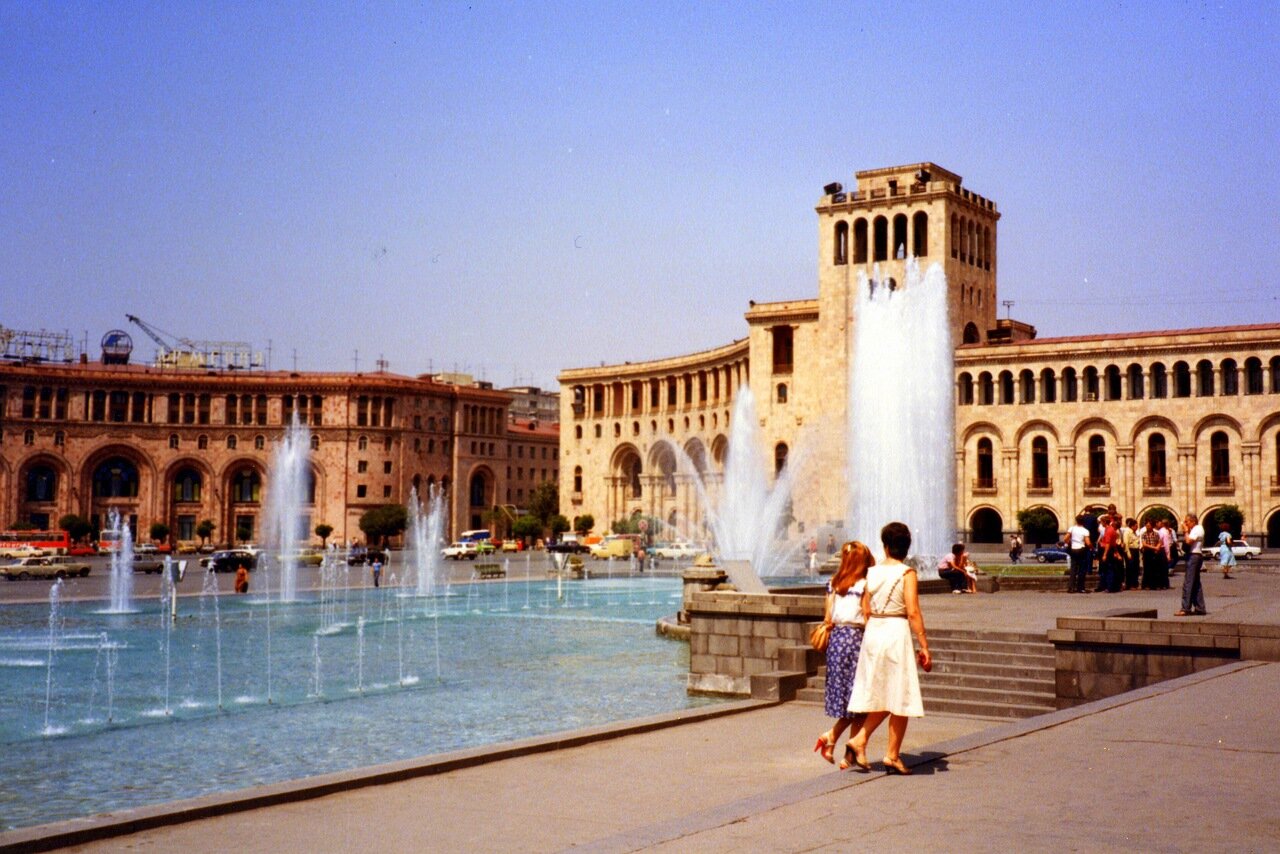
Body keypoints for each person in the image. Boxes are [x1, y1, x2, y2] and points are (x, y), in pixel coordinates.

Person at [846, 522, 931, 775]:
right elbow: (913, 611)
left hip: (874, 632)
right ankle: (892, 755)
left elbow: (867, 609)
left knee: (883, 692)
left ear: (884, 547)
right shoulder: (907, 573)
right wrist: (924, 644)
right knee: (900, 694)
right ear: (907, 547)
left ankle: (860, 740)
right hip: (895, 631)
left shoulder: (870, 573)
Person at [813, 541, 873, 770]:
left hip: (837, 642)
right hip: (855, 642)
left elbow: (828, 617)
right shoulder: (864, 585)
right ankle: (838, 742)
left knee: (854, 702)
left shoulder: (833, 584)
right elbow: (867, 616)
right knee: (859, 701)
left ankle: (847, 751)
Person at [1176, 513, 1206, 616]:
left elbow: (1188, 541)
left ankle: (1185, 608)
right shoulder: (1196, 529)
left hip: (1194, 556)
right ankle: (1200, 607)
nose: (1185, 524)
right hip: (1195, 556)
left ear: (1193, 521)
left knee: (1188, 582)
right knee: (1196, 583)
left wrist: (1185, 531)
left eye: (1187, 522)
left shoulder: (1197, 529)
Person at [1066, 514, 1092, 594]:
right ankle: (1080, 588)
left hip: (1073, 549)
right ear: (1083, 521)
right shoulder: (1085, 530)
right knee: (1082, 569)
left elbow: (1065, 538)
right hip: (1081, 549)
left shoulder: (1072, 528)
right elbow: (1087, 542)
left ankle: (1071, 588)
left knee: (1073, 569)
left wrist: (1070, 543)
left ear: (1076, 521)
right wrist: (1091, 547)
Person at [1139, 519, 1168, 590]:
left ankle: (1155, 585)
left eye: (1149, 525)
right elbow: (1144, 544)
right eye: (1146, 525)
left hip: (1155, 552)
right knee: (1147, 569)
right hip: (1147, 552)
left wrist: (1157, 547)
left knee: (1155, 568)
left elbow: (1160, 541)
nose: (1147, 527)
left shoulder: (1156, 534)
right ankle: (1147, 585)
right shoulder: (1144, 534)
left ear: (1152, 526)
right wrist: (1154, 547)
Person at [1121, 518, 1141, 590]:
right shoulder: (1127, 532)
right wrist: (1128, 553)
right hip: (1130, 551)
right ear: (1132, 526)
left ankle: (1135, 583)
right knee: (1130, 568)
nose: (1137, 527)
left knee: (1136, 568)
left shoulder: (1134, 532)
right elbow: (1126, 543)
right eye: (1136, 526)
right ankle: (1130, 584)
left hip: (1135, 550)